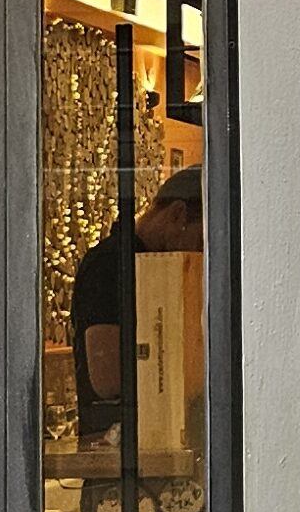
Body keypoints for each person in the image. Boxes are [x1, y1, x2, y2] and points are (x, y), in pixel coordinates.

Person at [69, 160, 203, 445]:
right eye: (201, 240)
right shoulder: (112, 264)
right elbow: (107, 379)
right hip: (118, 451)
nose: (202, 253)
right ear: (178, 215)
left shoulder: (152, 267)